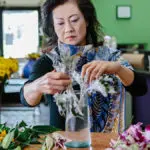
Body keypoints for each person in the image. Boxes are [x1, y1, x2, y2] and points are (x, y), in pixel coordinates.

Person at [20, 0, 147, 132]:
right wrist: (38, 85)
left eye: (74, 20)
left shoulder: (109, 56)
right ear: (54, 27)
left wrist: (118, 69)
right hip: (63, 144)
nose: (68, 29)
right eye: (60, 23)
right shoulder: (48, 61)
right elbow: (26, 99)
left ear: (86, 20)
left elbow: (140, 87)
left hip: (107, 143)